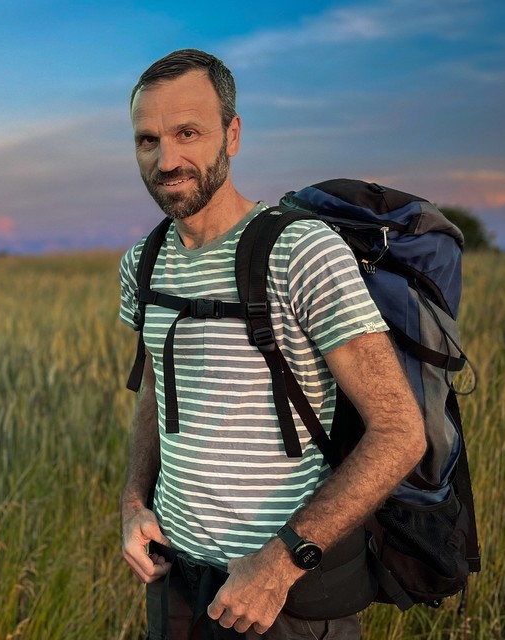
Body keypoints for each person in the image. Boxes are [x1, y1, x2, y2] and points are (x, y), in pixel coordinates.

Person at [117, 49, 427, 639]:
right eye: (147, 140)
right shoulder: (143, 263)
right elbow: (157, 389)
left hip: (281, 597)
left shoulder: (300, 252)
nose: (167, 159)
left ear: (232, 135)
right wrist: (134, 502)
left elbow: (400, 430)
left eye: (189, 133)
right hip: (177, 579)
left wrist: (279, 564)